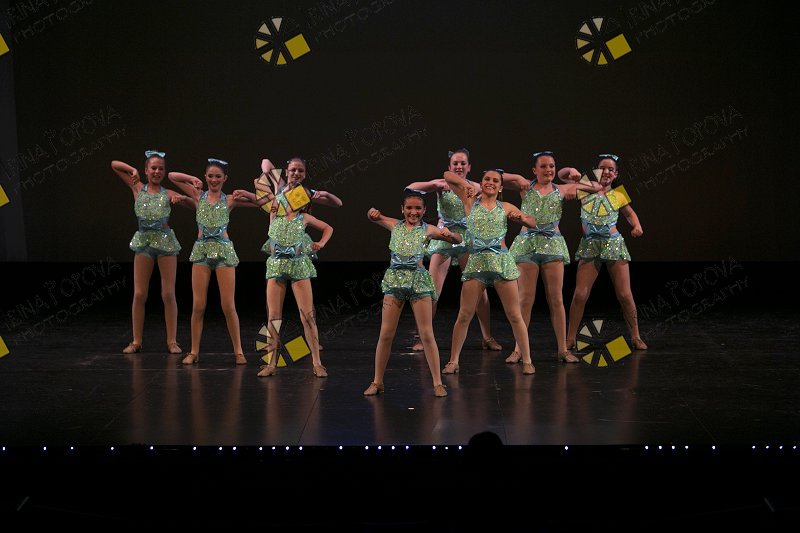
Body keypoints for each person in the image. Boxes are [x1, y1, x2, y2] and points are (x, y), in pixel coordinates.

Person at [502, 151, 603, 364]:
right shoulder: (525, 187)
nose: (548, 170)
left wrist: (571, 173)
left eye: (552, 166)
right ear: (534, 170)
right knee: (525, 299)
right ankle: (519, 349)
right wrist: (517, 177)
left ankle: (562, 349)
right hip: (527, 245)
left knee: (556, 299)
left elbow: (596, 187)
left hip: (552, 245)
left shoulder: (562, 189)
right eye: (544, 166)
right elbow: (496, 177)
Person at [363, 188, 463, 398]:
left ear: (424, 210)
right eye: (409, 208)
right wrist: (372, 213)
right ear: (402, 209)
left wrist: (450, 235)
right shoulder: (394, 225)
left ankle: (437, 383)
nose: (413, 212)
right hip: (395, 282)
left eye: (418, 208)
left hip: (418, 282)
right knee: (386, 333)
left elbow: (457, 240)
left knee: (426, 334)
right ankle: (377, 381)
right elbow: (374, 217)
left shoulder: (429, 230)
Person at [441, 168, 538, 375]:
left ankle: (527, 360)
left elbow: (532, 221)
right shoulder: (469, 200)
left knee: (514, 314)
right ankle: (453, 361)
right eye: (487, 179)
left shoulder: (505, 207)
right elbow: (447, 175)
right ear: (481, 182)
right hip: (477, 262)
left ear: (501, 187)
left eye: (495, 180)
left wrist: (520, 219)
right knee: (464, 314)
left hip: (501, 262)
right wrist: (466, 185)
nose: (490, 182)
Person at [168, 158, 262, 365]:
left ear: (225, 178)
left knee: (228, 305)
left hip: (223, 252)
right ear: (205, 177)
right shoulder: (197, 195)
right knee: (198, 306)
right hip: (202, 251)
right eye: (210, 176)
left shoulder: (229, 200)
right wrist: (191, 179)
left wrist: (247, 194)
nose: (214, 180)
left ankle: (238, 351)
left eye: (218, 176)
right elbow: (172, 176)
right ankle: (194, 351)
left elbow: (262, 203)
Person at [406, 148, 502, 352]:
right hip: (445, 237)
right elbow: (410, 188)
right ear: (449, 167)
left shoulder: (476, 187)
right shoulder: (442, 184)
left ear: (469, 167)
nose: (459, 166)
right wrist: (435, 185)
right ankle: (422, 337)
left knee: (480, 291)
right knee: (431, 290)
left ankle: (487, 336)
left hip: (468, 239)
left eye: (462, 163)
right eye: (455, 163)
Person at [254, 157, 334, 378]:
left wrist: (321, 243)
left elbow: (328, 227)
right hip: (276, 265)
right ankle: (271, 363)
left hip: (298, 266)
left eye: (299, 198)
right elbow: (265, 163)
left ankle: (317, 362)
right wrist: (275, 178)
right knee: (273, 317)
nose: (292, 200)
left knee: (307, 316)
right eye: (292, 170)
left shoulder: (304, 217)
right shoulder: (274, 211)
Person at [563, 153, 648, 351]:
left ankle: (635, 336)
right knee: (580, 294)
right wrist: (572, 172)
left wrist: (636, 226)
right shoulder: (585, 188)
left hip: (613, 244)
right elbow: (563, 175)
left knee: (625, 294)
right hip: (590, 245)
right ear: (596, 170)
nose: (607, 172)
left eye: (611, 169)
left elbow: (629, 213)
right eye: (603, 168)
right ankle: (570, 337)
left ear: (616, 174)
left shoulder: (619, 194)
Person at [112, 150, 194, 355]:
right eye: (153, 168)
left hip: (165, 243)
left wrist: (182, 199)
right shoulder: (137, 187)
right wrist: (131, 169)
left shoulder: (168, 193)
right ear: (146, 170)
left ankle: (172, 341)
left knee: (168, 293)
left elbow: (194, 206)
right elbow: (114, 164)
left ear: (164, 172)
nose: (157, 171)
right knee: (140, 293)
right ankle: (136, 341)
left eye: (161, 169)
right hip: (144, 242)